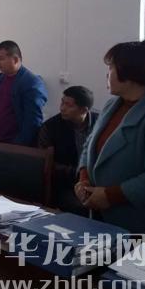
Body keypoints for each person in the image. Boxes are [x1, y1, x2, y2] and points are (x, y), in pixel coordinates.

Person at [75, 41, 145, 242]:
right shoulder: (112, 104)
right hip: (101, 217)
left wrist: (109, 195)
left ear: (130, 73)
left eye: (111, 68)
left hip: (137, 223)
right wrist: (83, 178)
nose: (107, 74)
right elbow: (89, 145)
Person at [38, 85, 98, 214]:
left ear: (84, 110)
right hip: (65, 184)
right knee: (82, 207)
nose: (62, 108)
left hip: (97, 181)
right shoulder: (50, 127)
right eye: (62, 102)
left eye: (69, 105)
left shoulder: (100, 124)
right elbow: (46, 164)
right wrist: (77, 174)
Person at [0, 40, 47, 146]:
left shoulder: (31, 82)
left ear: (15, 59)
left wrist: (19, 144)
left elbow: (32, 120)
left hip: (13, 145)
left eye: (1, 59)